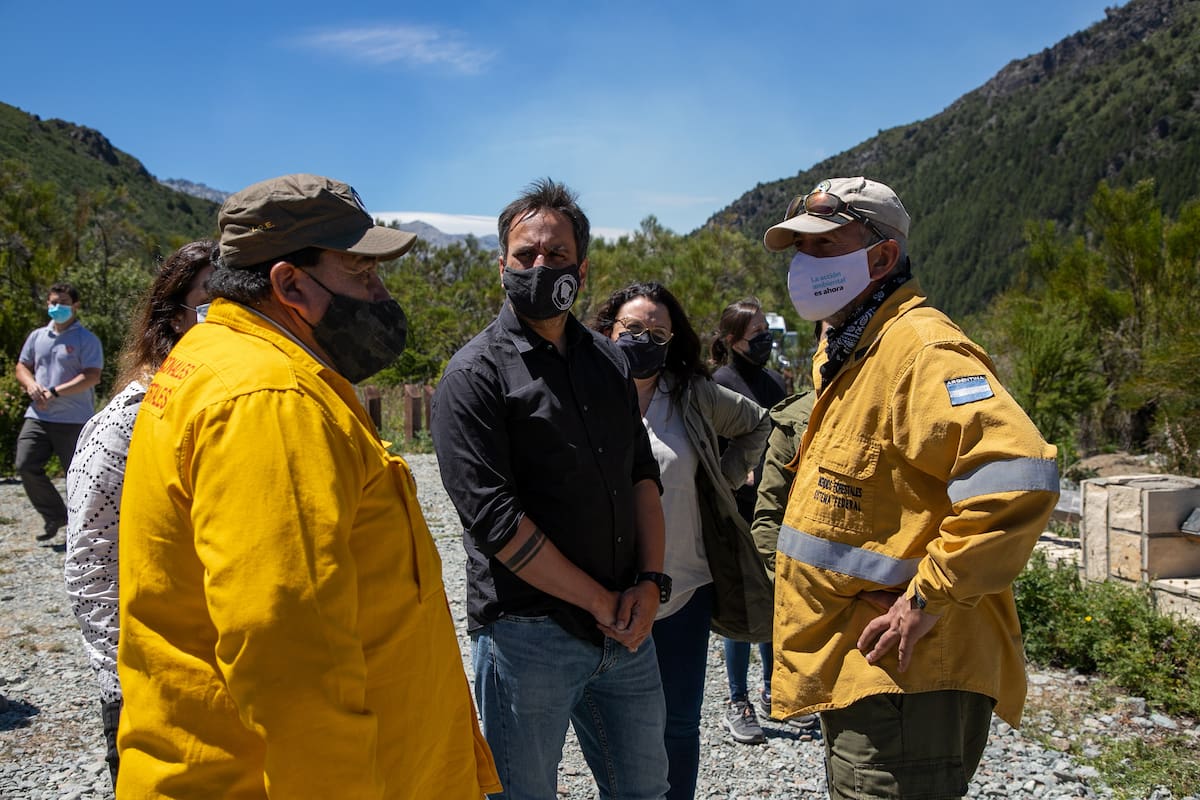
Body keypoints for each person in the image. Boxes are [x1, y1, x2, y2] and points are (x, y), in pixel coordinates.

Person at [116, 174, 499, 799]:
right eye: (361, 274)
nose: (380, 294)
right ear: (290, 284)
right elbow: (289, 656)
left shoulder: (220, 359)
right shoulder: (269, 398)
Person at [762, 176, 1060, 799]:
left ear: (882, 257)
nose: (802, 264)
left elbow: (1019, 478)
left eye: (822, 247)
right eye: (799, 249)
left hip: (908, 680)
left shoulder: (920, 350)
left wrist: (923, 602)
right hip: (869, 673)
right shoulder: (853, 351)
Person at [431, 179, 670, 800]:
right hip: (526, 636)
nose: (541, 266)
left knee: (646, 789)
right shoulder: (474, 374)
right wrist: (597, 602)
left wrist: (651, 583)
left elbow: (642, 476)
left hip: (627, 628)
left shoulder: (609, 361)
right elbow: (495, 519)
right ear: (501, 265)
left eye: (557, 255)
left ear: (582, 269)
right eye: (526, 255)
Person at [593, 282, 770, 798]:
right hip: (600, 593)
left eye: (658, 333)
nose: (643, 340)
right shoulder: (584, 388)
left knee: (677, 725)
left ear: (673, 341)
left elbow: (759, 425)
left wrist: (724, 476)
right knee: (608, 727)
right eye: (632, 329)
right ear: (608, 329)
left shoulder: (690, 394)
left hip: (682, 590)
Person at [64, 240, 214, 789]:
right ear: (172, 316)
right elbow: (90, 562)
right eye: (207, 301)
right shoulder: (124, 424)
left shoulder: (219, 407)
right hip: (148, 692)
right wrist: (125, 682)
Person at [709, 298, 812, 743]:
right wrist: (738, 473)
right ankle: (738, 700)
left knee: (776, 604)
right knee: (740, 608)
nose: (765, 341)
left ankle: (775, 691)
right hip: (739, 512)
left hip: (779, 511)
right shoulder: (719, 384)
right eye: (756, 335)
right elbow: (709, 451)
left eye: (766, 332)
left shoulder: (774, 382)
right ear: (732, 340)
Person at [14, 282, 103, 541]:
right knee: (25, 464)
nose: (56, 308)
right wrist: (31, 385)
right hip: (38, 416)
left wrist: (54, 392)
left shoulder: (86, 339)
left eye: (62, 303)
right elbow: (22, 366)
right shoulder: (37, 337)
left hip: (74, 419)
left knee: (79, 477)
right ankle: (55, 515)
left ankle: (87, 531)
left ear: (75, 306)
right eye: (53, 303)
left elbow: (92, 376)